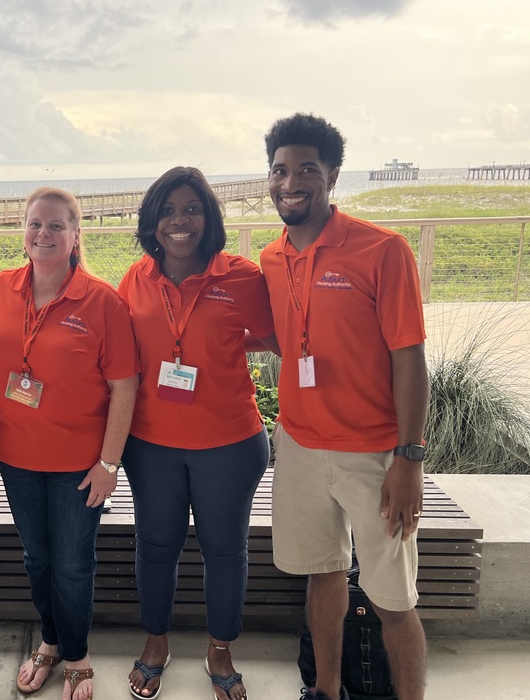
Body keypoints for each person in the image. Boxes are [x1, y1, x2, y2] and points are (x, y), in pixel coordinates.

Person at [260, 113, 429, 700]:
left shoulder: (382, 250)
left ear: (332, 176)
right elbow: (275, 334)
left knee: (394, 601)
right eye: (280, 170)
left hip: (375, 453)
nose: (292, 182)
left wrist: (409, 459)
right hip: (300, 446)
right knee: (322, 575)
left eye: (307, 169)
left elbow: (409, 357)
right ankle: (325, 691)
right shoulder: (271, 259)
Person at [117, 167, 276, 700]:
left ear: (209, 217)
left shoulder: (243, 277)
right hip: (151, 444)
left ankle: (219, 648)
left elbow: (277, 338)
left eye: (191, 209)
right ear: (151, 221)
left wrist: (225, 348)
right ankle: (156, 642)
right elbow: (123, 358)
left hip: (229, 444)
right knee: (155, 547)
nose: (178, 220)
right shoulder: (135, 280)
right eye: (166, 210)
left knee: (225, 550)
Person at [0, 188, 139, 700]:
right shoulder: (1, 287)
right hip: (14, 456)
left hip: (78, 464)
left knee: (72, 561)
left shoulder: (101, 301)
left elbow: (125, 386)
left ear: (75, 236)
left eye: (56, 226)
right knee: (36, 558)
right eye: (35, 224)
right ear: (23, 231)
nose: (43, 234)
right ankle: (50, 641)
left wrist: (110, 462)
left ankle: (77, 653)